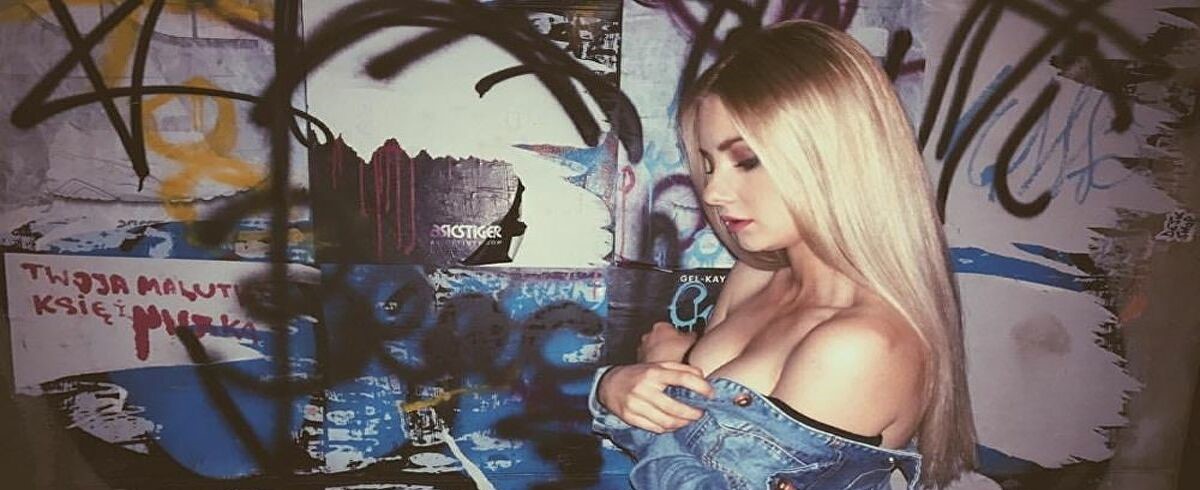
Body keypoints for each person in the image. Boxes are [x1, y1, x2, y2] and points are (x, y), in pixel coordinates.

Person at [589, 20, 977, 489]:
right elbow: (703, 432)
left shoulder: (860, 346)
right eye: (709, 164)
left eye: (746, 160)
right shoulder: (756, 274)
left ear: (833, 156)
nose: (712, 192)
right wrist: (630, 383)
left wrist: (615, 391)